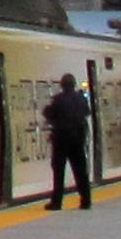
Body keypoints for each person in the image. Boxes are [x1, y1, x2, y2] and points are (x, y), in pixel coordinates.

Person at [42, 72, 96, 210]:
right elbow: (87, 112)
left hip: (61, 140)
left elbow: (48, 113)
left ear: (62, 85)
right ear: (74, 84)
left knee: (59, 172)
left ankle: (57, 202)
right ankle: (86, 200)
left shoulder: (58, 99)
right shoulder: (81, 98)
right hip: (78, 139)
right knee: (80, 171)